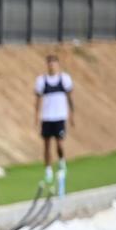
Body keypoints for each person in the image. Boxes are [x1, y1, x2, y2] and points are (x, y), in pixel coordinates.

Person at [35, 54, 74, 196]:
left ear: (57, 64)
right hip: (47, 117)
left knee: (59, 144)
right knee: (46, 145)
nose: (51, 66)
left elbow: (70, 97)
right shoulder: (41, 81)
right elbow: (38, 100)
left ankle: (62, 161)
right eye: (49, 63)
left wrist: (71, 114)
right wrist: (36, 116)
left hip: (59, 116)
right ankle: (48, 169)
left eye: (54, 63)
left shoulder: (64, 79)